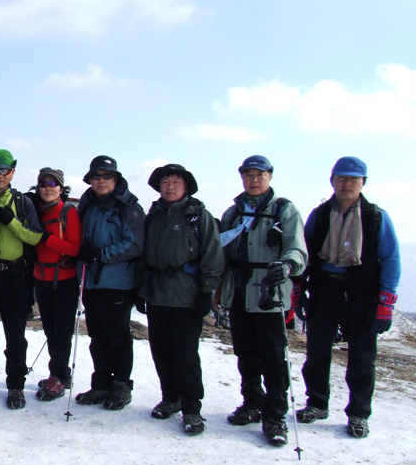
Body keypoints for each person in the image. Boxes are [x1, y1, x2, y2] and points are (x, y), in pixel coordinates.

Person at [295, 156, 401, 438]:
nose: (346, 183)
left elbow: (390, 259)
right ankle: (317, 403)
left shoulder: (376, 217)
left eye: (353, 179)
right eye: (341, 178)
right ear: (332, 181)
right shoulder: (319, 215)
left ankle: (358, 413)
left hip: (362, 293)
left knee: (363, 357)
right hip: (324, 289)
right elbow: (304, 255)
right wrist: (298, 291)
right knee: (317, 352)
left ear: (363, 182)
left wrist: (385, 303)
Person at [218, 155, 307, 447]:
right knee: (246, 353)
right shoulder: (233, 212)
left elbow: (297, 249)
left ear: (270, 177)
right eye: (248, 175)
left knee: (274, 357)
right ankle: (252, 403)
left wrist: (287, 266)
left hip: (270, 293)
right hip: (240, 290)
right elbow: (222, 251)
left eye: (260, 175)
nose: (254, 180)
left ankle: (275, 415)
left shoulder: (284, 210)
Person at [137, 164, 223, 436]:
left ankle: (191, 407)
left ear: (186, 187)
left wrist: (207, 292)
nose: (170, 186)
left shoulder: (199, 217)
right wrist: (141, 290)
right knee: (161, 350)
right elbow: (143, 256)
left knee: (185, 354)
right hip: (157, 293)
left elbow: (213, 254)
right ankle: (170, 398)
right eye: (165, 181)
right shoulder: (153, 216)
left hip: (186, 295)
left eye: (176, 181)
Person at [74, 156, 145, 411]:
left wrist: (100, 254)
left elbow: (135, 243)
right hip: (91, 282)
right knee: (98, 337)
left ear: (116, 179)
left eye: (107, 176)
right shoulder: (88, 202)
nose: (101, 181)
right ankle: (101, 384)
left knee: (118, 337)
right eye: (97, 176)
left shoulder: (128, 206)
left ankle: (121, 386)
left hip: (117, 282)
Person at [0, 149, 43, 409]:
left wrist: (11, 221)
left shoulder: (23, 203)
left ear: (13, 172)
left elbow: (36, 237)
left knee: (15, 336)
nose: (0, 175)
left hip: (15, 276)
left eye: (4, 170)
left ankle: (15, 385)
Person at [29, 168, 82, 402]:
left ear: (61, 188)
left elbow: (75, 248)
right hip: (42, 280)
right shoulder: (36, 211)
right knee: (51, 331)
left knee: (61, 332)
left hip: (64, 281)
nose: (48, 188)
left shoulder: (68, 213)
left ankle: (58, 376)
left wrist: (45, 238)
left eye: (53, 184)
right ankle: (60, 374)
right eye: (43, 184)